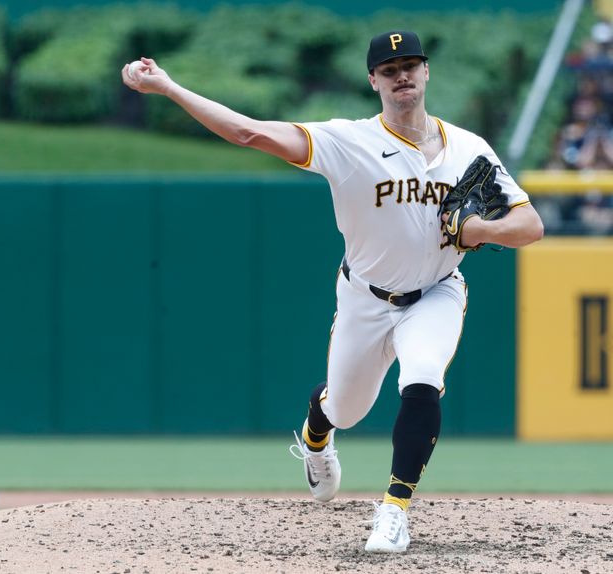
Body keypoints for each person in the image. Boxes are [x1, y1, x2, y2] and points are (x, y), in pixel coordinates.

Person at [122, 30, 544, 553]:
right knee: (346, 409)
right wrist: (168, 87)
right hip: (365, 299)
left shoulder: (468, 148)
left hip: (437, 292)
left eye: (411, 64)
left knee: (423, 376)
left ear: (427, 71)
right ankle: (318, 431)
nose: (402, 75)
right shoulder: (349, 141)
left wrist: (478, 230)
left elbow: (530, 226)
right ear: (374, 80)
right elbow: (248, 133)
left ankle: (394, 511)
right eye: (390, 70)